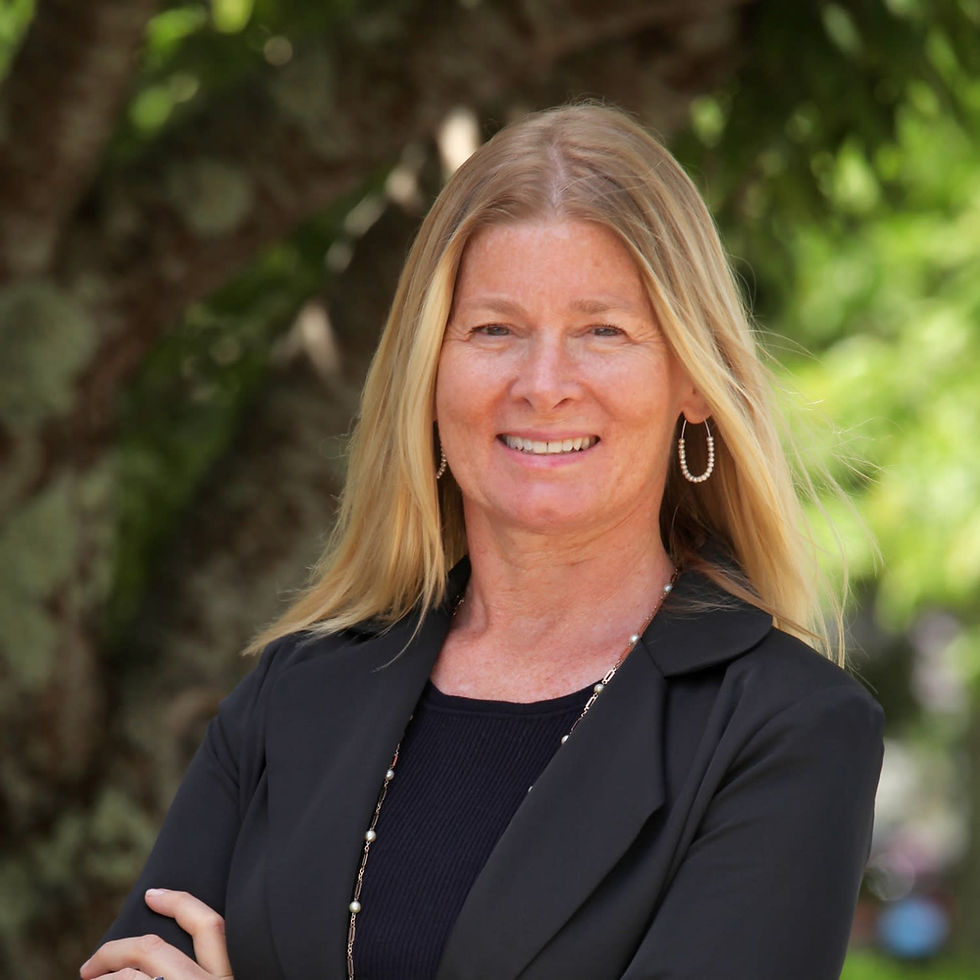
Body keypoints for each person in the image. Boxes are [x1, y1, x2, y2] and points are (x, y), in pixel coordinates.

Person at [81, 103, 883, 980]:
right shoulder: (295, 693)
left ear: (693, 378)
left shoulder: (786, 730)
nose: (543, 386)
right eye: (494, 330)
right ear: (429, 372)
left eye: (602, 331)